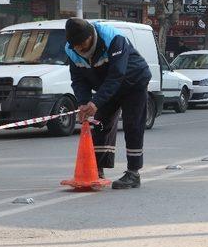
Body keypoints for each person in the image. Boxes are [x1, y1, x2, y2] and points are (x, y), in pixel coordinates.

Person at [64, 18, 152, 189]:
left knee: (133, 125)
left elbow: (116, 75)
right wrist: (83, 103)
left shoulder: (113, 39)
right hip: (107, 86)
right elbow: (78, 79)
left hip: (133, 82)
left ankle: (133, 173)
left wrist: (95, 102)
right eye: (75, 45)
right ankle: (96, 169)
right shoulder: (71, 50)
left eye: (82, 43)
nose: (79, 49)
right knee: (101, 124)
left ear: (91, 36)